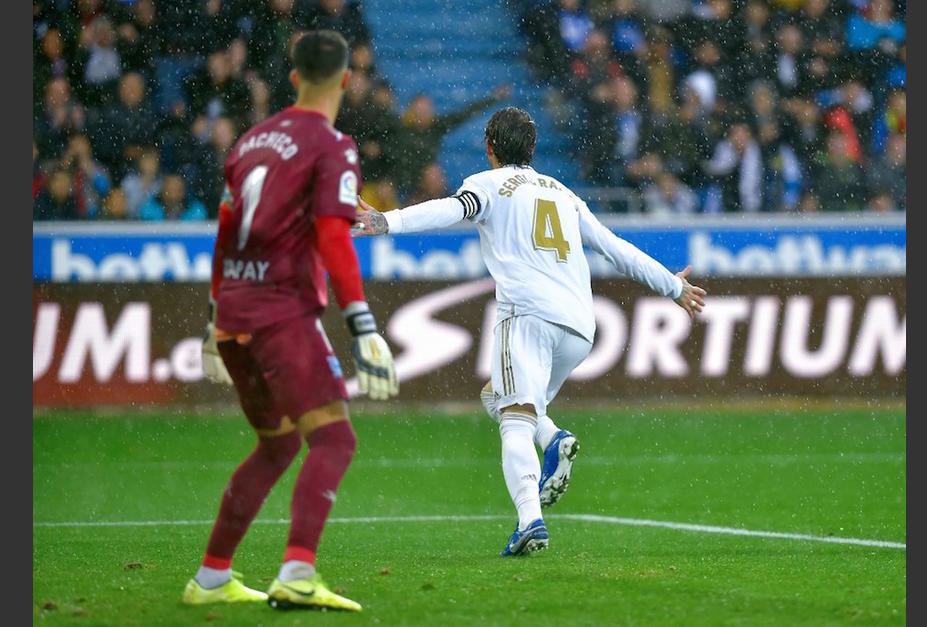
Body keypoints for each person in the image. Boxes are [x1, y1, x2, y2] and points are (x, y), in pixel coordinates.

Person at [353, 106, 706, 556]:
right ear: (533, 149)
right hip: (579, 327)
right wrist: (673, 286)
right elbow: (615, 248)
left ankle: (529, 522)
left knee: (514, 419)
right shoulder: (564, 194)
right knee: (496, 397)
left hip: (526, 316)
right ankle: (552, 438)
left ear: (489, 147)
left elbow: (450, 210)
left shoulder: (487, 184)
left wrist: (388, 220)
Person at [182, 30, 398, 611]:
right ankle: (298, 573)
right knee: (334, 439)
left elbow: (227, 230)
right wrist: (363, 325)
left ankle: (211, 578)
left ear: (295, 78)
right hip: (280, 311)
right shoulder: (333, 145)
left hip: (235, 313)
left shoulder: (251, 140)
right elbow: (333, 235)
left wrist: (213, 318)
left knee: (277, 445)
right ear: (346, 80)